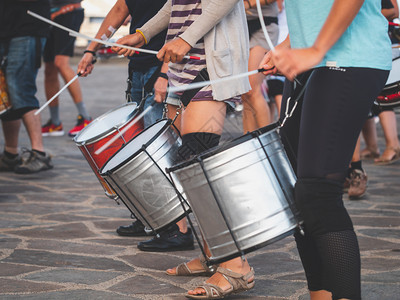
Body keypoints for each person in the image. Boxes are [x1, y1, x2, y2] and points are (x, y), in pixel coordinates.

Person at [111, 0, 255, 298]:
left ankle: (237, 266)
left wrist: (186, 39)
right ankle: (213, 254)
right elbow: (176, 6)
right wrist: (142, 34)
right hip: (182, 67)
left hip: (211, 65)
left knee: (196, 168)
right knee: (187, 170)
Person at [259, 0, 391, 299]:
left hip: (349, 57)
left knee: (317, 193)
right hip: (311, 60)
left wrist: (316, 49)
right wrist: (289, 45)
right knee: (296, 191)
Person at [78, 0, 192, 252]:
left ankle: (178, 228)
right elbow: (120, 10)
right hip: (139, 67)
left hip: (166, 66)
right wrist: (91, 50)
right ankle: (152, 216)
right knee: (137, 148)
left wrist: (165, 73)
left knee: (158, 151)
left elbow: (180, 23)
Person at [0, 0, 53, 174]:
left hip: (28, 27)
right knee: (5, 94)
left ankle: (39, 153)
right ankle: (10, 153)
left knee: (21, 87)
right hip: (7, 27)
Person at [41, 0, 92, 137]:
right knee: (49, 69)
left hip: (69, 12)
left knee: (61, 63)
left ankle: (85, 117)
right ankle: (55, 123)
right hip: (47, 15)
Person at [241, 0, 279, 133]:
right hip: (242, 27)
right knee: (245, 93)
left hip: (264, 24)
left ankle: (268, 142)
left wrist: (247, 4)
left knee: (252, 88)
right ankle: (249, 143)